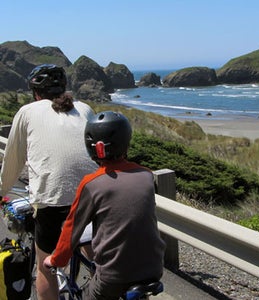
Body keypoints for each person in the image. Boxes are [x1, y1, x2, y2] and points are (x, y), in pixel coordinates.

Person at [0, 64, 98, 300]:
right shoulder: (85, 109)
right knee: (90, 238)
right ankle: (100, 274)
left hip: (53, 201)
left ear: (35, 93)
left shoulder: (27, 112)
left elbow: (13, 160)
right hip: (97, 195)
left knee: (46, 266)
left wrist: (1, 189)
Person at [44, 111, 166, 300]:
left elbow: (72, 229)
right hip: (154, 269)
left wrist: (55, 260)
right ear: (126, 141)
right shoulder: (146, 175)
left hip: (113, 277)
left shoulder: (92, 184)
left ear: (93, 148)